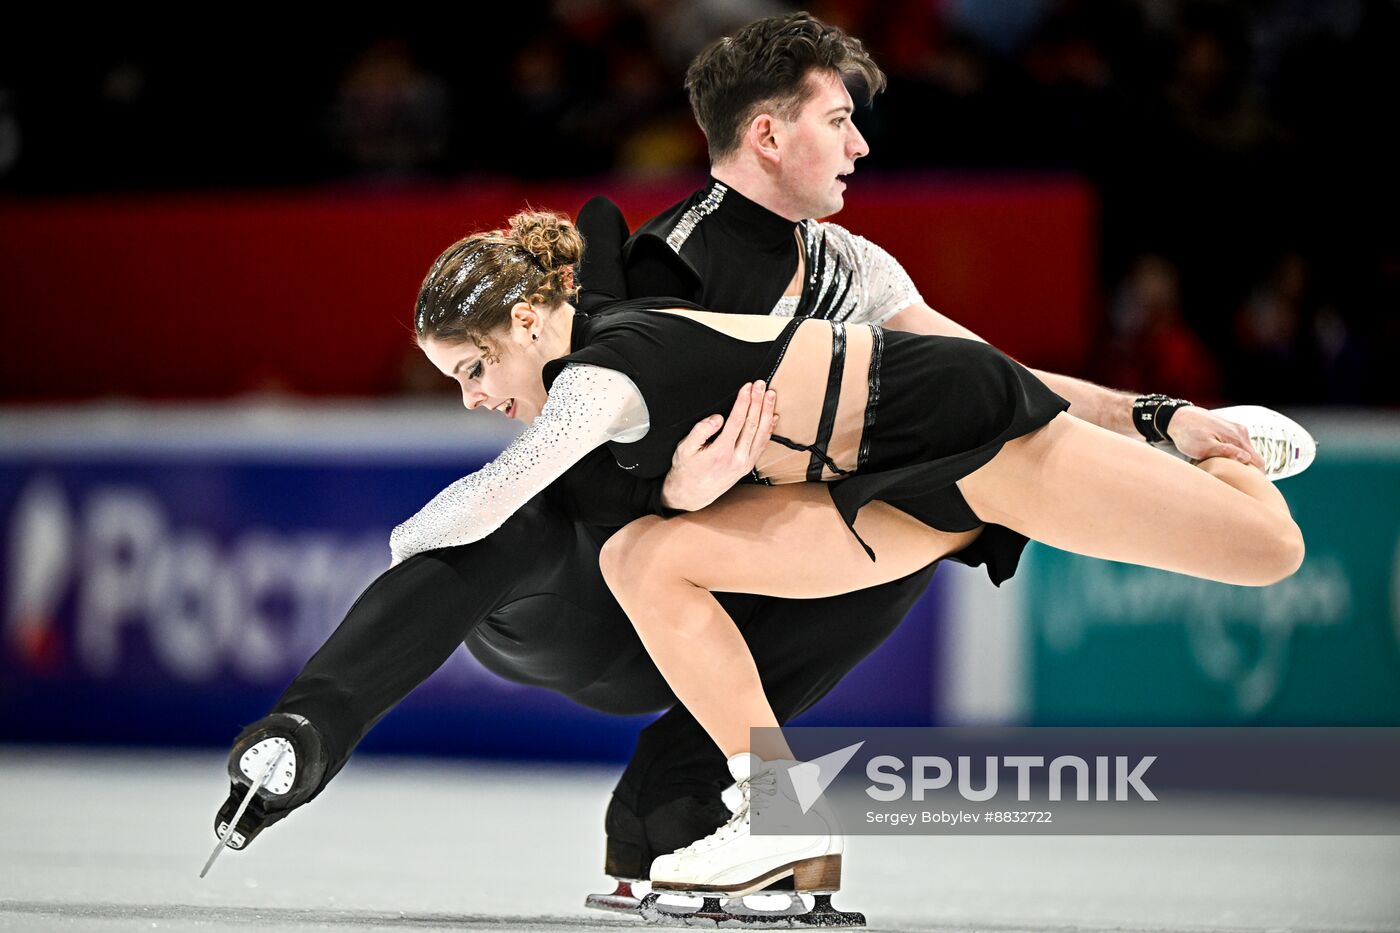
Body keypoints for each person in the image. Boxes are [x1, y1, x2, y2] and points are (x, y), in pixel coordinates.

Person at [212, 12, 1299, 905]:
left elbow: (987, 373)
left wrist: (1155, 416)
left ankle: (707, 811)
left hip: (917, 455)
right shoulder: (667, 265)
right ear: (769, 134)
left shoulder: (852, 265)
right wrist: (675, 485)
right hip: (740, 523)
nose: (859, 145)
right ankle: (727, 811)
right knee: (613, 543)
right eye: (839, 121)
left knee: (1261, 550)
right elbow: (587, 468)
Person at [400, 206, 1307, 897]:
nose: (474, 398)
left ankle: (1216, 446)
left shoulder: (597, 376)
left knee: (1268, 548)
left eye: (472, 370)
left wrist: (396, 557)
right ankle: (780, 810)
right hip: (875, 485)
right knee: (642, 557)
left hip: (958, 427)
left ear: (526, 321)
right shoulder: (589, 346)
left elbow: (494, 493)